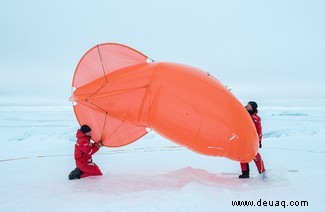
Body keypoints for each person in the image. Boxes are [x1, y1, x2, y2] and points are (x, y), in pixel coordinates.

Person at [239, 101, 266, 179]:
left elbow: (259, 130)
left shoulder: (256, 118)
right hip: (243, 139)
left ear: (253, 108)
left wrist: (259, 141)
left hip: (252, 140)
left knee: (256, 156)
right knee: (242, 155)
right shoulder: (243, 114)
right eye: (247, 105)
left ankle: (262, 173)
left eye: (249, 106)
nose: (246, 106)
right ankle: (245, 173)